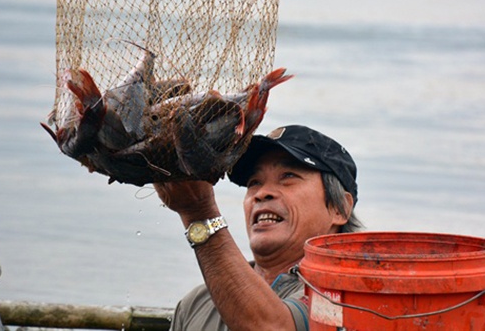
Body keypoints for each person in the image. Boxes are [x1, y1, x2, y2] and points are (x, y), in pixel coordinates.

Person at [153, 124, 362, 331]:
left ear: (339, 208)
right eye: (254, 182)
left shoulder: (351, 298)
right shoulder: (196, 304)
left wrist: (199, 213)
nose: (262, 193)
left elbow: (270, 327)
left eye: (288, 176)